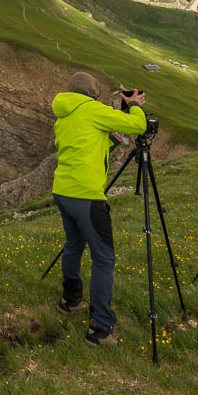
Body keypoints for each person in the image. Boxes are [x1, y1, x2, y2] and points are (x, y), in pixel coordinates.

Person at [51, 71, 148, 347]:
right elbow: (135, 126)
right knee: (104, 258)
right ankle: (100, 326)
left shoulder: (64, 113)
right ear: (93, 93)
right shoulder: (93, 110)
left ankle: (70, 300)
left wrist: (108, 141)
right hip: (87, 196)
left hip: (63, 191)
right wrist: (136, 106)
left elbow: (81, 143)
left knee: (73, 245)